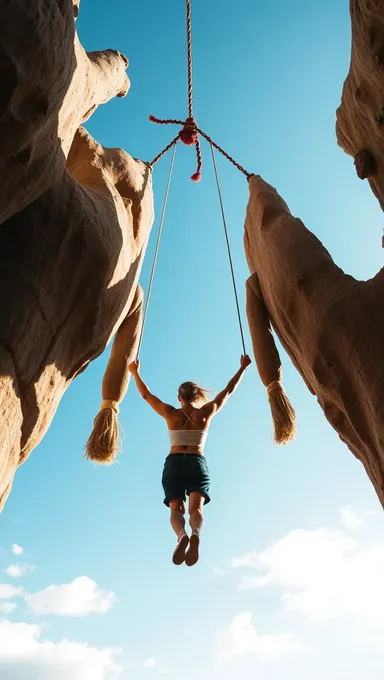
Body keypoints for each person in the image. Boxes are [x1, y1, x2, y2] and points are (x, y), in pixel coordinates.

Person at [128, 355, 252, 567]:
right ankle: (195, 532)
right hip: (196, 461)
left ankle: (181, 536)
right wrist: (242, 369)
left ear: (179, 397)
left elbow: (146, 396)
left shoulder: (170, 413)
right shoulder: (205, 413)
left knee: (176, 509)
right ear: (197, 397)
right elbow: (227, 392)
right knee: (196, 510)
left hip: (174, 462)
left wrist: (134, 372)